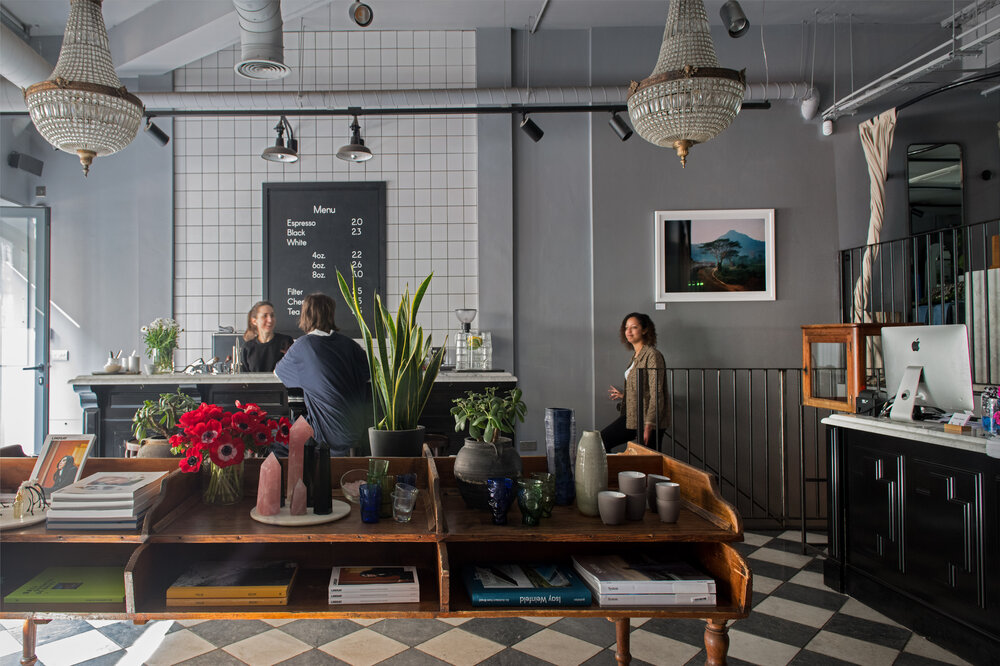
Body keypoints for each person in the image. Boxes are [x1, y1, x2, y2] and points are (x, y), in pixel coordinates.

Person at [275, 293, 371, 457]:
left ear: (305, 315)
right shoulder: (350, 344)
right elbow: (368, 375)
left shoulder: (303, 346)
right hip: (358, 431)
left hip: (328, 435)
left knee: (277, 440)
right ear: (331, 315)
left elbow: (278, 373)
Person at [600, 312, 670, 453]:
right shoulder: (636, 356)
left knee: (650, 463)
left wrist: (650, 423)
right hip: (634, 415)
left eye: (634, 327)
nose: (629, 331)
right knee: (602, 441)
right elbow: (642, 388)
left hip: (648, 419)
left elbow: (656, 392)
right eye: (626, 328)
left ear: (644, 330)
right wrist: (625, 395)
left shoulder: (652, 355)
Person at [240, 300, 295, 373]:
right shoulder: (247, 348)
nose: (270, 320)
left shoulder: (286, 341)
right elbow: (244, 378)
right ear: (254, 321)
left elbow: (293, 370)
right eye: (265, 316)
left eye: (272, 315)